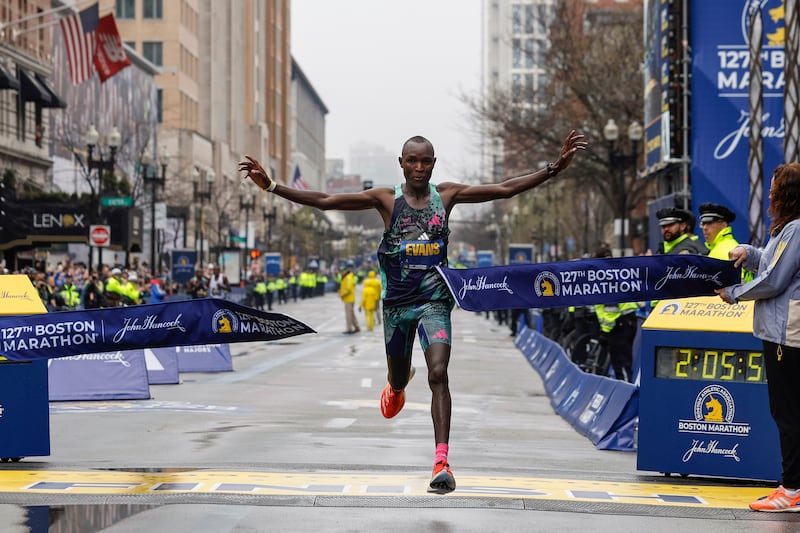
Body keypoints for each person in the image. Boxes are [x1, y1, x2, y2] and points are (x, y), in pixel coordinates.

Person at [239, 129, 586, 494]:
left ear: (433, 164)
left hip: (435, 301)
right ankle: (397, 385)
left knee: (439, 373)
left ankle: (442, 461)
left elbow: (503, 188)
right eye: (412, 161)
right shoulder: (386, 200)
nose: (419, 168)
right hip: (397, 308)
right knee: (400, 378)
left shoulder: (447, 196)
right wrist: (272, 186)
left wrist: (553, 169)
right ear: (401, 164)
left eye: (425, 161)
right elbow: (326, 199)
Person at [716, 163, 800, 512]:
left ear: (787, 193)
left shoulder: (795, 229)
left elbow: (773, 280)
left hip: (786, 335)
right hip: (781, 331)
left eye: (774, 188)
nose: (768, 193)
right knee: (789, 411)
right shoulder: (787, 229)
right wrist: (748, 253)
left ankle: (792, 490)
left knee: (788, 413)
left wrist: (733, 293)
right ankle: (792, 485)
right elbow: (768, 263)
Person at [338, 265, 360, 334]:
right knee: (351, 314)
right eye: (340, 271)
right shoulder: (346, 277)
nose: (341, 273)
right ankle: (357, 327)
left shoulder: (347, 278)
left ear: (345, 271)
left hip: (349, 299)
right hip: (349, 299)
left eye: (342, 271)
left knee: (348, 315)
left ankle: (349, 329)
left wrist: (341, 294)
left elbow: (348, 289)